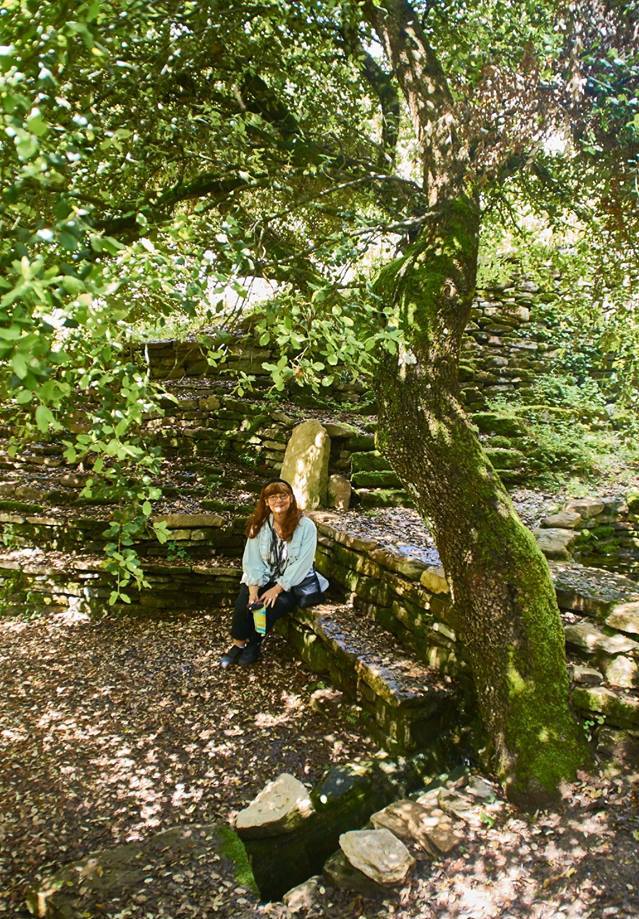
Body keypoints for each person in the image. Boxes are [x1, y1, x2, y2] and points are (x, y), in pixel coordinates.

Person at [220, 479, 328, 667]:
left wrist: (277, 589)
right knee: (244, 602)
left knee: (270, 607)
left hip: (291, 580)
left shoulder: (306, 527)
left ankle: (254, 643)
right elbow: (252, 560)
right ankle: (238, 644)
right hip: (264, 576)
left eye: (283, 496)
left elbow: (302, 564)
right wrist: (254, 589)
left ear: (291, 499)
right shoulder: (259, 525)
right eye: (273, 497)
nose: (278, 500)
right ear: (265, 502)